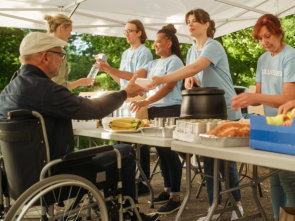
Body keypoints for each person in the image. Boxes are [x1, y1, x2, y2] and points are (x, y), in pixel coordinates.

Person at [0, 32, 158, 221]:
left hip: (19, 179)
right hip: (55, 174)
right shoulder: (44, 89)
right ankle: (127, 213)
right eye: (61, 55)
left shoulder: (8, 91)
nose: (62, 60)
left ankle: (110, 206)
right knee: (124, 151)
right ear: (45, 56)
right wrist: (124, 93)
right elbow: (95, 109)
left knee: (103, 152)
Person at [150, 8, 243, 220]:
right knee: (209, 162)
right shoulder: (192, 49)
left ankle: (237, 204)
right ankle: (213, 208)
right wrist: (189, 80)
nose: (191, 25)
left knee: (227, 162)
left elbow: (196, 67)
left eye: (196, 21)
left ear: (207, 24)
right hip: (207, 111)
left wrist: (165, 78)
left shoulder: (213, 46)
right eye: (189, 21)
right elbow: (193, 73)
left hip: (226, 109)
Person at [231, 14, 295, 221]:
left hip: (289, 123)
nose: (264, 42)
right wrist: (245, 100)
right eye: (260, 38)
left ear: (278, 31)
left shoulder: (290, 56)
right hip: (272, 125)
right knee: (275, 179)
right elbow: (259, 98)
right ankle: (278, 217)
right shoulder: (262, 59)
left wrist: (255, 96)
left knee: (288, 178)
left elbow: (288, 97)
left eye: (267, 36)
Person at [126, 24, 184, 215]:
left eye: (158, 42)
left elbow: (167, 87)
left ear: (169, 42)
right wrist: (134, 80)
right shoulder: (153, 64)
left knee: (169, 151)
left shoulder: (175, 62)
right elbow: (139, 77)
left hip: (170, 109)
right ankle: (167, 190)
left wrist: (147, 100)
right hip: (154, 109)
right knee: (160, 151)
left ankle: (175, 196)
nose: (155, 46)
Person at [96, 19, 153, 195]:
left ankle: (143, 182)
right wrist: (108, 71)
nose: (126, 34)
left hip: (138, 99)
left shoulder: (145, 52)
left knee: (139, 142)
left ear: (139, 33)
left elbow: (135, 78)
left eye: (130, 30)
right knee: (121, 139)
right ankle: (122, 179)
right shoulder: (125, 53)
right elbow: (122, 81)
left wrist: (110, 68)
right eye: (125, 31)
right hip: (124, 99)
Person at [44, 13, 94, 90]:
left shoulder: (39, 46)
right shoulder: (57, 51)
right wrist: (80, 82)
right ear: (61, 28)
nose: (70, 35)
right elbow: (59, 86)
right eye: (69, 31)